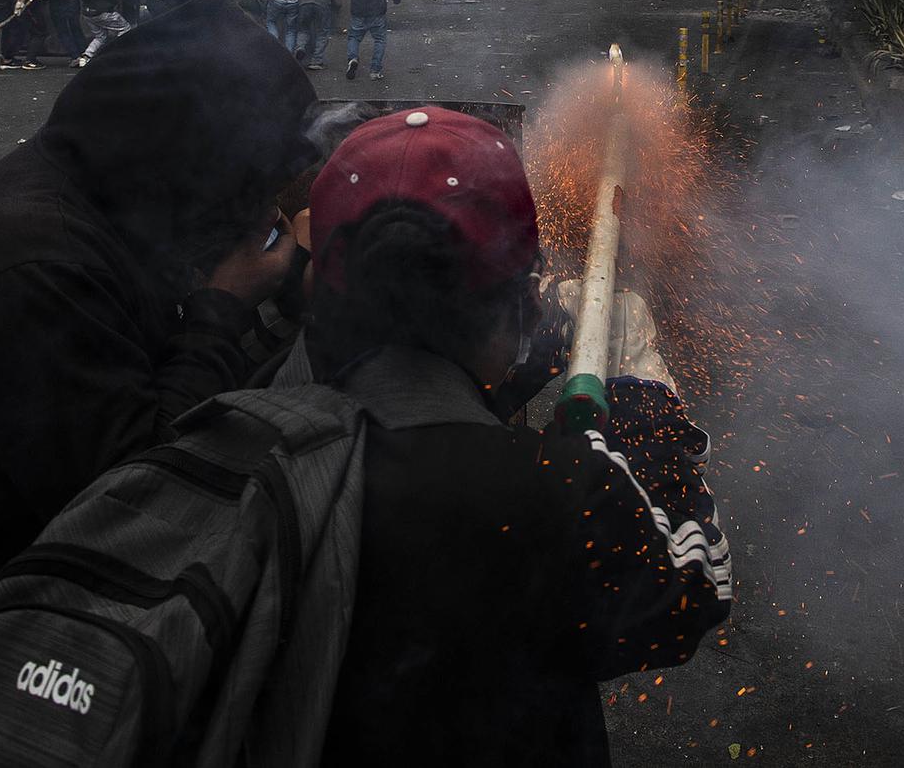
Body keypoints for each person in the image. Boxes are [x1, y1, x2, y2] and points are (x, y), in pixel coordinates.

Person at [0, 0, 319, 765]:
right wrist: (223, 307)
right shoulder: (32, 258)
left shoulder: (113, 194)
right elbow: (135, 496)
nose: (258, 200)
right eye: (249, 174)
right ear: (193, 149)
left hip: (3, 610)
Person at [305, 106, 734, 764]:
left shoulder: (250, 433)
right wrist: (637, 386)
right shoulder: (549, 495)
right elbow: (692, 581)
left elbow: (416, 378)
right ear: (520, 297)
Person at [297, 0, 341, 69]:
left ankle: (300, 48)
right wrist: (337, 6)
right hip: (321, 4)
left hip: (304, 3)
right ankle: (316, 61)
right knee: (322, 32)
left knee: (303, 28)